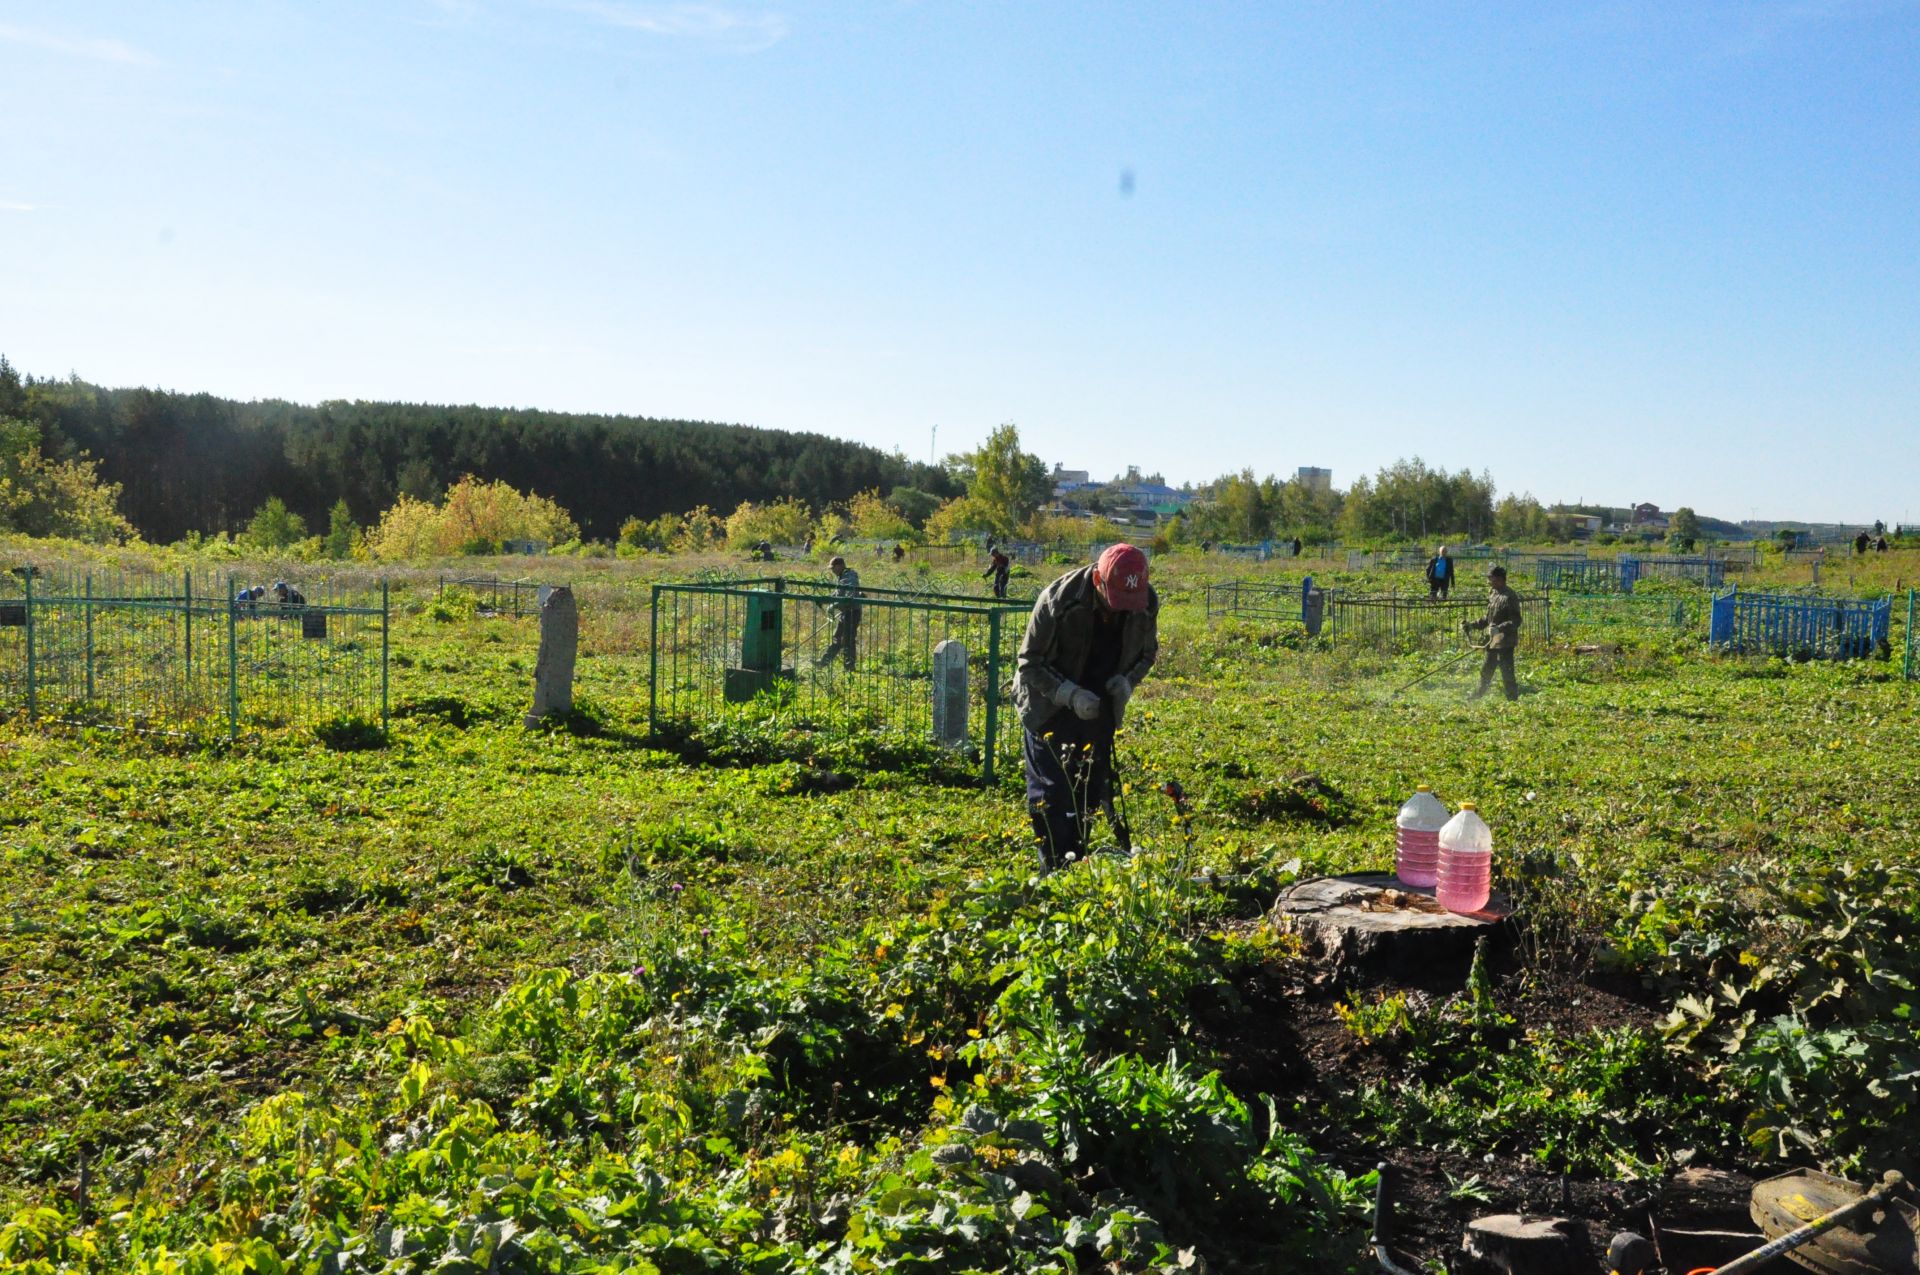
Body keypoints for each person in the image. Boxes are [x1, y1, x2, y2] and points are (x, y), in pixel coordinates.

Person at [1014, 543, 1159, 871]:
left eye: (1129, 603)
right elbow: (1030, 663)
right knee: (1053, 795)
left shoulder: (1146, 603)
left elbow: (1147, 654)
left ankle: (1077, 866)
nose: (1122, 610)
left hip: (1098, 707)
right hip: (1047, 706)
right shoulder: (1058, 601)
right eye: (1116, 599)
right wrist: (1068, 693)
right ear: (1098, 580)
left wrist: (1126, 681)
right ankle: (1054, 874)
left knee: (1088, 793)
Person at [1463, 565, 1521, 701]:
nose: (1489, 582)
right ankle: (1476, 696)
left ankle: (1513, 701)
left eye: (1491, 579)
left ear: (1500, 579)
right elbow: (1488, 619)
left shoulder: (1510, 596)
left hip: (1506, 641)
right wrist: (1472, 625)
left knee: (1507, 673)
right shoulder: (1494, 594)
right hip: (1493, 641)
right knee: (1486, 670)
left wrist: (1499, 628)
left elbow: (1516, 621)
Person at [816, 556, 862, 670]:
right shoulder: (842, 576)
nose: (832, 570)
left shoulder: (850, 575)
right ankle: (823, 662)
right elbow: (837, 594)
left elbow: (849, 593)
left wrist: (834, 605)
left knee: (848, 640)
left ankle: (849, 667)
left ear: (840, 565)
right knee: (837, 638)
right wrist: (824, 600)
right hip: (845, 612)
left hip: (852, 612)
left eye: (833, 567)